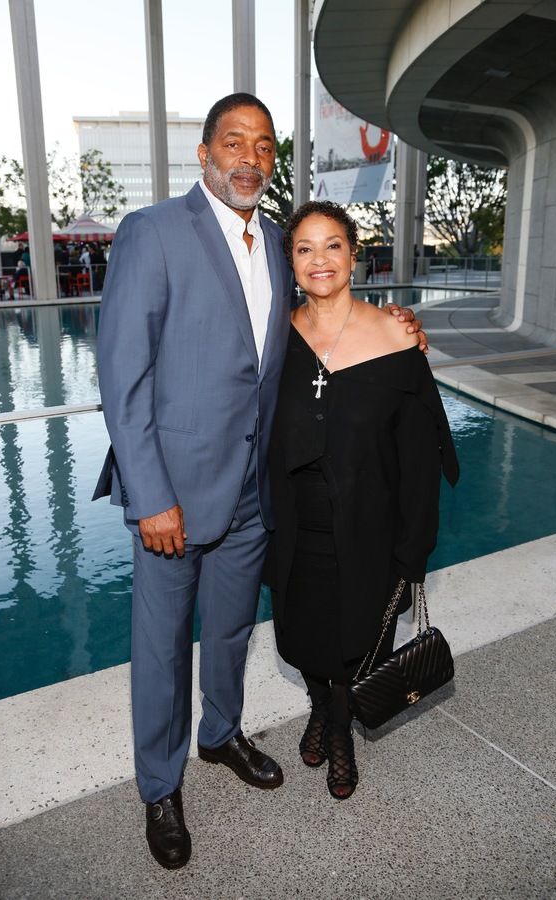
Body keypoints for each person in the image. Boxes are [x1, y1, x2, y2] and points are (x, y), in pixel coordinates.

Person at [94, 94, 426, 871]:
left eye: (265, 146)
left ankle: (220, 735)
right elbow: (123, 378)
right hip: (172, 494)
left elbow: (315, 318)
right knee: (162, 646)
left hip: (254, 492)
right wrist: (151, 496)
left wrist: (397, 323)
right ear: (205, 153)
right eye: (234, 142)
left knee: (234, 632)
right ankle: (159, 786)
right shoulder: (154, 233)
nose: (249, 157)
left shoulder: (277, 241)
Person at [265, 201, 458, 801]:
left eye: (331, 246)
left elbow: (420, 458)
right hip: (296, 527)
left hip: (370, 528)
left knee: (358, 639)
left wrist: (413, 547)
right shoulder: (276, 339)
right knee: (302, 638)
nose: (319, 259)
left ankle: (340, 732)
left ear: (354, 256)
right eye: (303, 248)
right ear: (291, 262)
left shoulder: (396, 336)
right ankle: (321, 707)